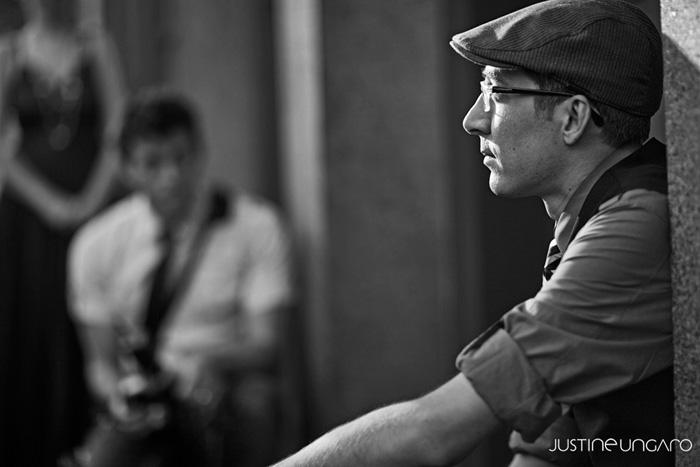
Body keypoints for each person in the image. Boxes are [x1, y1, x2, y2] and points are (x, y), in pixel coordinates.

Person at [270, 1, 673, 466]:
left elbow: (432, 432)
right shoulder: (596, 211)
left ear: (573, 118)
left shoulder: (636, 223)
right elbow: (555, 445)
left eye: (496, 92)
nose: (473, 119)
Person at [68, 89, 295, 467]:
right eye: (152, 163)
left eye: (181, 157)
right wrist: (120, 397)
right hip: (144, 398)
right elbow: (99, 363)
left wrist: (211, 362)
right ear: (127, 169)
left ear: (201, 152)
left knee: (257, 406)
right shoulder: (96, 244)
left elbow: (267, 345)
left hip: (224, 387)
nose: (171, 176)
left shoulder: (255, 226)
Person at [0, 0, 126, 465]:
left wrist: (91, 200)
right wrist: (50, 204)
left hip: (91, 204)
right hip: (29, 216)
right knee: (33, 320)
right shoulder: (10, 52)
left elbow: (117, 131)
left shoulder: (97, 47)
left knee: (90, 323)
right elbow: (1, 145)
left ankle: (92, 444)